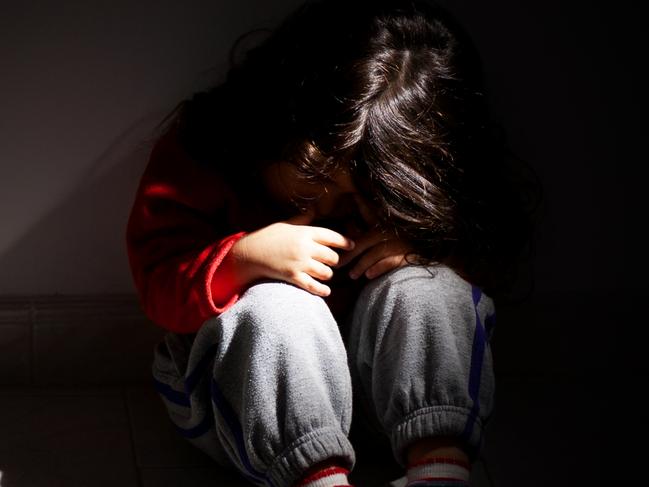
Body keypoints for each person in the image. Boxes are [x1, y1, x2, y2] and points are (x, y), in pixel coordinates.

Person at [126, 1, 537, 486]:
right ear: (277, 125)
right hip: (244, 405)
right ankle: (317, 481)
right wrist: (242, 259)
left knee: (430, 288)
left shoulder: (417, 189)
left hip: (384, 403)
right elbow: (157, 281)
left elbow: (492, 265)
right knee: (277, 307)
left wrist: (426, 246)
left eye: (357, 201)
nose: (323, 208)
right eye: (311, 181)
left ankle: (438, 466)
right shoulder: (203, 150)